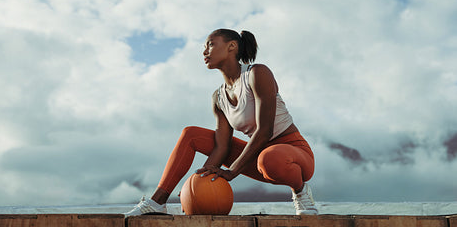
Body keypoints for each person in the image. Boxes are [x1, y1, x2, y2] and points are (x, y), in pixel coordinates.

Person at [125, 28, 318, 216]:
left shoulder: (257, 73)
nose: (204, 51)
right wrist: (195, 188)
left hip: (293, 157)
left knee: (270, 158)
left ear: (231, 46)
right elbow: (222, 146)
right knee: (191, 134)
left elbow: (264, 131)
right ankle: (157, 202)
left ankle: (300, 191)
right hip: (256, 158)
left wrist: (232, 171)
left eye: (210, 45)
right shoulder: (218, 97)